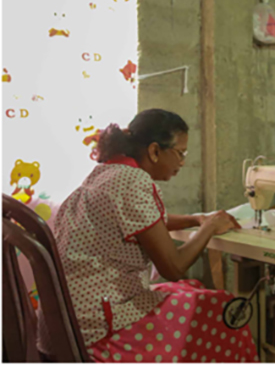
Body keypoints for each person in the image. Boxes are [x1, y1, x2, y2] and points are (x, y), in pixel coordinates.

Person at [37, 109, 258, 363]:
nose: (183, 162)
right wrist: (209, 227)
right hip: (96, 333)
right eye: (180, 153)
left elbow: (144, 221)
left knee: (191, 289)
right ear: (154, 151)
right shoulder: (134, 182)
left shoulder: (107, 173)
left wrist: (196, 218)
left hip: (63, 325)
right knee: (223, 309)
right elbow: (173, 267)